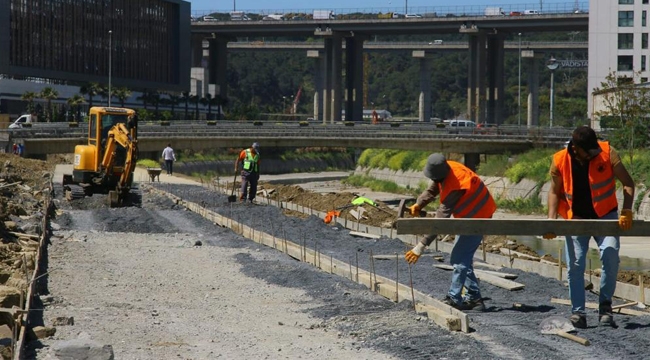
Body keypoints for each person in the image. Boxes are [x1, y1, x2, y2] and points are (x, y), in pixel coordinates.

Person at [546, 126, 635, 328]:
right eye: (589, 151)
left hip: (606, 215)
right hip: (576, 218)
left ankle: (605, 306)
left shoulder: (608, 153)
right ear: (576, 148)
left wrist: (627, 211)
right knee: (575, 265)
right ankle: (578, 313)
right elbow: (554, 191)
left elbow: (628, 183)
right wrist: (550, 221)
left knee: (610, 254)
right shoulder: (560, 160)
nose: (594, 153)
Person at [404, 153, 496, 311]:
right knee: (463, 258)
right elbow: (432, 189)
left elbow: (441, 222)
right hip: (465, 218)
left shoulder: (456, 184)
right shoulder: (447, 169)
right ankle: (475, 299)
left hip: (478, 217)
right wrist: (419, 204)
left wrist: (421, 245)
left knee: (459, 259)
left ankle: (454, 298)